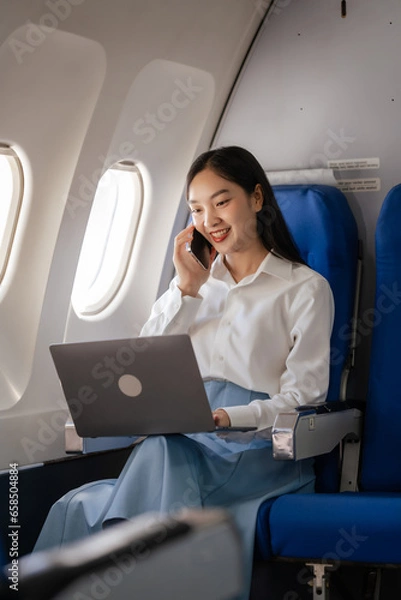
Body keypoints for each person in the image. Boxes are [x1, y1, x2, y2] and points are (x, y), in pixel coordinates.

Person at [34, 146, 334, 599]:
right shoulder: (191, 286)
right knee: (83, 497)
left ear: (256, 198)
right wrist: (186, 290)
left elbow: (305, 398)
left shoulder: (305, 289)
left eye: (221, 200)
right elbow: (139, 364)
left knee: (156, 454)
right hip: (185, 442)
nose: (209, 218)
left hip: (254, 452)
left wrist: (232, 417)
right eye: (196, 208)